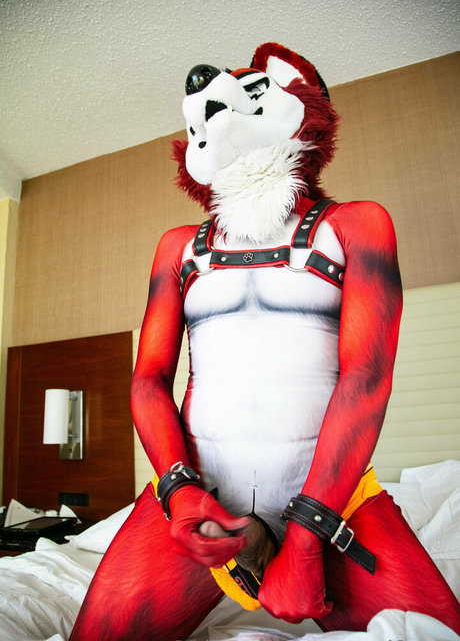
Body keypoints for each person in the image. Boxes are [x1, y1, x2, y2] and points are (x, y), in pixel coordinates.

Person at [70, 43, 460, 641]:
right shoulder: (178, 247)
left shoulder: (358, 225)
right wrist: (177, 488)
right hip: (199, 495)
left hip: (333, 501)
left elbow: (366, 379)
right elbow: (148, 379)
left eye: (251, 88)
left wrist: (306, 536)